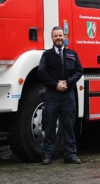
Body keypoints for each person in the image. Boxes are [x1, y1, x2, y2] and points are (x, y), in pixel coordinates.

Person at [38, 26, 83, 164]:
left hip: (68, 95)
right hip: (52, 94)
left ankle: (70, 154)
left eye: (60, 35)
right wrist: (55, 85)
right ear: (52, 38)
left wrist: (68, 83)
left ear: (64, 37)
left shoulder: (72, 54)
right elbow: (41, 73)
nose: (58, 38)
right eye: (56, 36)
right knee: (50, 125)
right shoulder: (47, 55)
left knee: (69, 124)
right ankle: (47, 155)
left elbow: (79, 71)